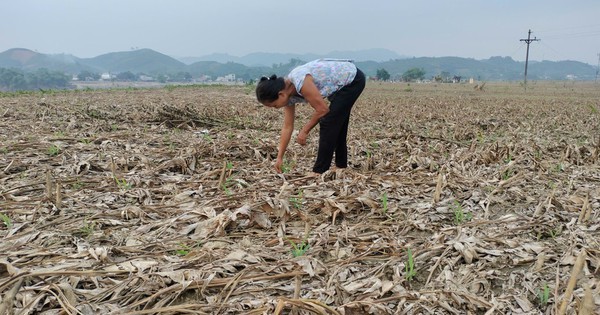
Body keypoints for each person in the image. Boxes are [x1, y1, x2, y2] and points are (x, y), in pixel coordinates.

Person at [255, 59, 365, 174]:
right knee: (337, 122)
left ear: (280, 95)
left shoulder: (300, 81)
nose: (276, 108)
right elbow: (287, 127)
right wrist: (279, 158)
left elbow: (322, 109)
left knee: (328, 122)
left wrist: (305, 130)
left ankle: (319, 171)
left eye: (274, 105)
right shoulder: (287, 94)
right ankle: (341, 166)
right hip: (341, 85)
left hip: (352, 79)